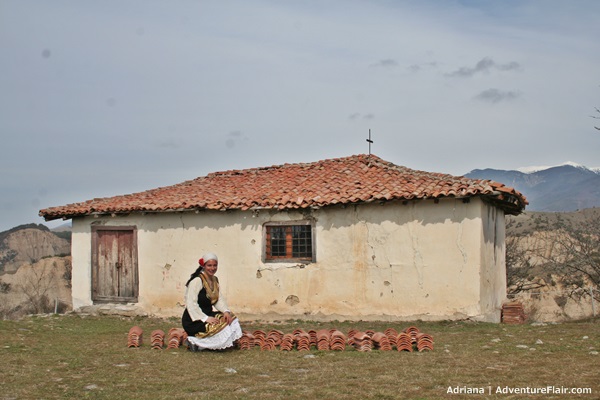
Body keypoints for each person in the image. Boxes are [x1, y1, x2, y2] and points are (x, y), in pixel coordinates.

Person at [181, 253, 242, 351]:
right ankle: (196, 342)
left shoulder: (214, 280)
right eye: (209, 265)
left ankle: (206, 345)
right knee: (219, 327)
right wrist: (205, 318)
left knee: (230, 319)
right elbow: (191, 303)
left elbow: (217, 298)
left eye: (215, 265)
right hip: (194, 320)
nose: (212, 268)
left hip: (208, 314)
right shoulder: (197, 281)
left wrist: (226, 311)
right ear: (204, 266)